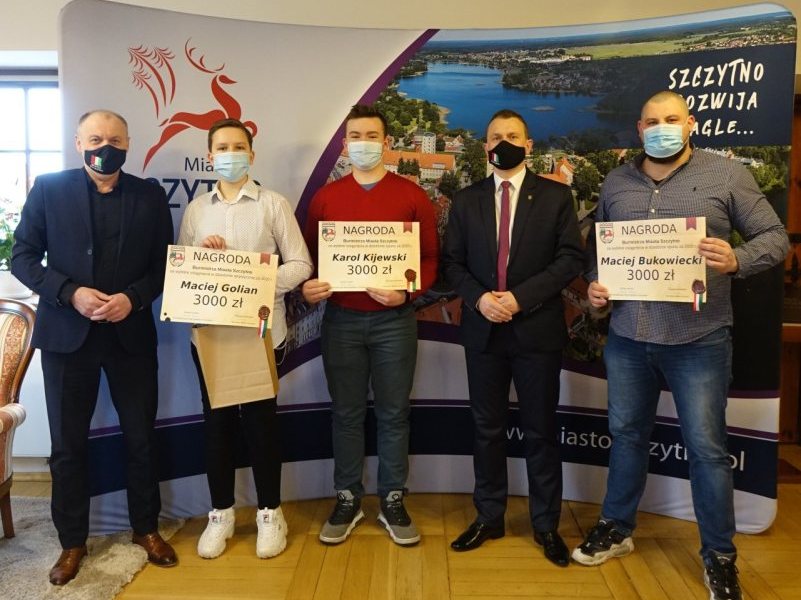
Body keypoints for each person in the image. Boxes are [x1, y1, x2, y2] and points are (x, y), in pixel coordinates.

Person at [572, 91, 789, 600]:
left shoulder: (726, 174)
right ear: (639, 129)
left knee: (707, 450)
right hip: (628, 337)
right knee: (626, 436)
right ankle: (617, 527)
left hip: (699, 339)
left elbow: (775, 236)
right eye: (652, 122)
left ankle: (719, 555)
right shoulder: (617, 182)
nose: (662, 128)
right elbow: (599, 252)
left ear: (690, 123)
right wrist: (598, 287)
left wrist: (737, 259)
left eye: (672, 119)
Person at [11, 110, 177, 585]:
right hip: (68, 337)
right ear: (78, 142)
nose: (106, 147)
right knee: (67, 446)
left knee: (141, 438)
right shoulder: (49, 188)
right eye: (96, 138)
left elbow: (164, 265)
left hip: (130, 335)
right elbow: (22, 256)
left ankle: (146, 529)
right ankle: (72, 542)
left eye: (115, 140)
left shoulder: (149, 195)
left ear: (129, 143)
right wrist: (70, 293)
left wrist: (133, 299)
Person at [441, 109, 583, 566]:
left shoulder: (556, 197)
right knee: (487, 430)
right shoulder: (467, 201)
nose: (504, 142)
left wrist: (520, 299)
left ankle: (546, 525)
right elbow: (452, 264)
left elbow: (569, 259)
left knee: (541, 431)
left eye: (513, 135)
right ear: (485, 147)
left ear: (528, 145)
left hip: (536, 330)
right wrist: (480, 298)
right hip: (483, 330)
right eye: (496, 136)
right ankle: (489, 517)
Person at [301, 104, 439, 546]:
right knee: (346, 413)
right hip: (341, 320)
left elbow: (430, 260)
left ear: (387, 143)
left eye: (372, 136)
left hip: (394, 321)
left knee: (394, 413)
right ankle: (347, 498)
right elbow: (310, 260)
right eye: (355, 137)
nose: (363, 144)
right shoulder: (326, 198)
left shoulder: (413, 196)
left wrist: (407, 292)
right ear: (345, 145)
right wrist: (309, 286)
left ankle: (393, 499)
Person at [177, 118, 313, 559]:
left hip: (261, 332)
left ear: (252, 155)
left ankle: (270, 513)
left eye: (238, 147)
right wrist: (205, 259)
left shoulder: (273, 204)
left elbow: (301, 265)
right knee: (216, 427)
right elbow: (183, 271)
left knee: (261, 427)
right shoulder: (197, 210)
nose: (230, 154)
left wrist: (254, 279)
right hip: (211, 336)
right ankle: (221, 513)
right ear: (209, 156)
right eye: (222, 147)